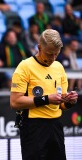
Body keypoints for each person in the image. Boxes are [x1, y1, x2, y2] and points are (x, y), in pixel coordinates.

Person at [10, 29, 78, 160]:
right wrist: (46, 99)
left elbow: (62, 105)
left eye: (56, 54)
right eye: (49, 54)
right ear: (39, 47)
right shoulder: (24, 66)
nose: (52, 59)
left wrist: (69, 101)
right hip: (33, 127)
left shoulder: (59, 67)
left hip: (55, 126)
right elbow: (14, 102)